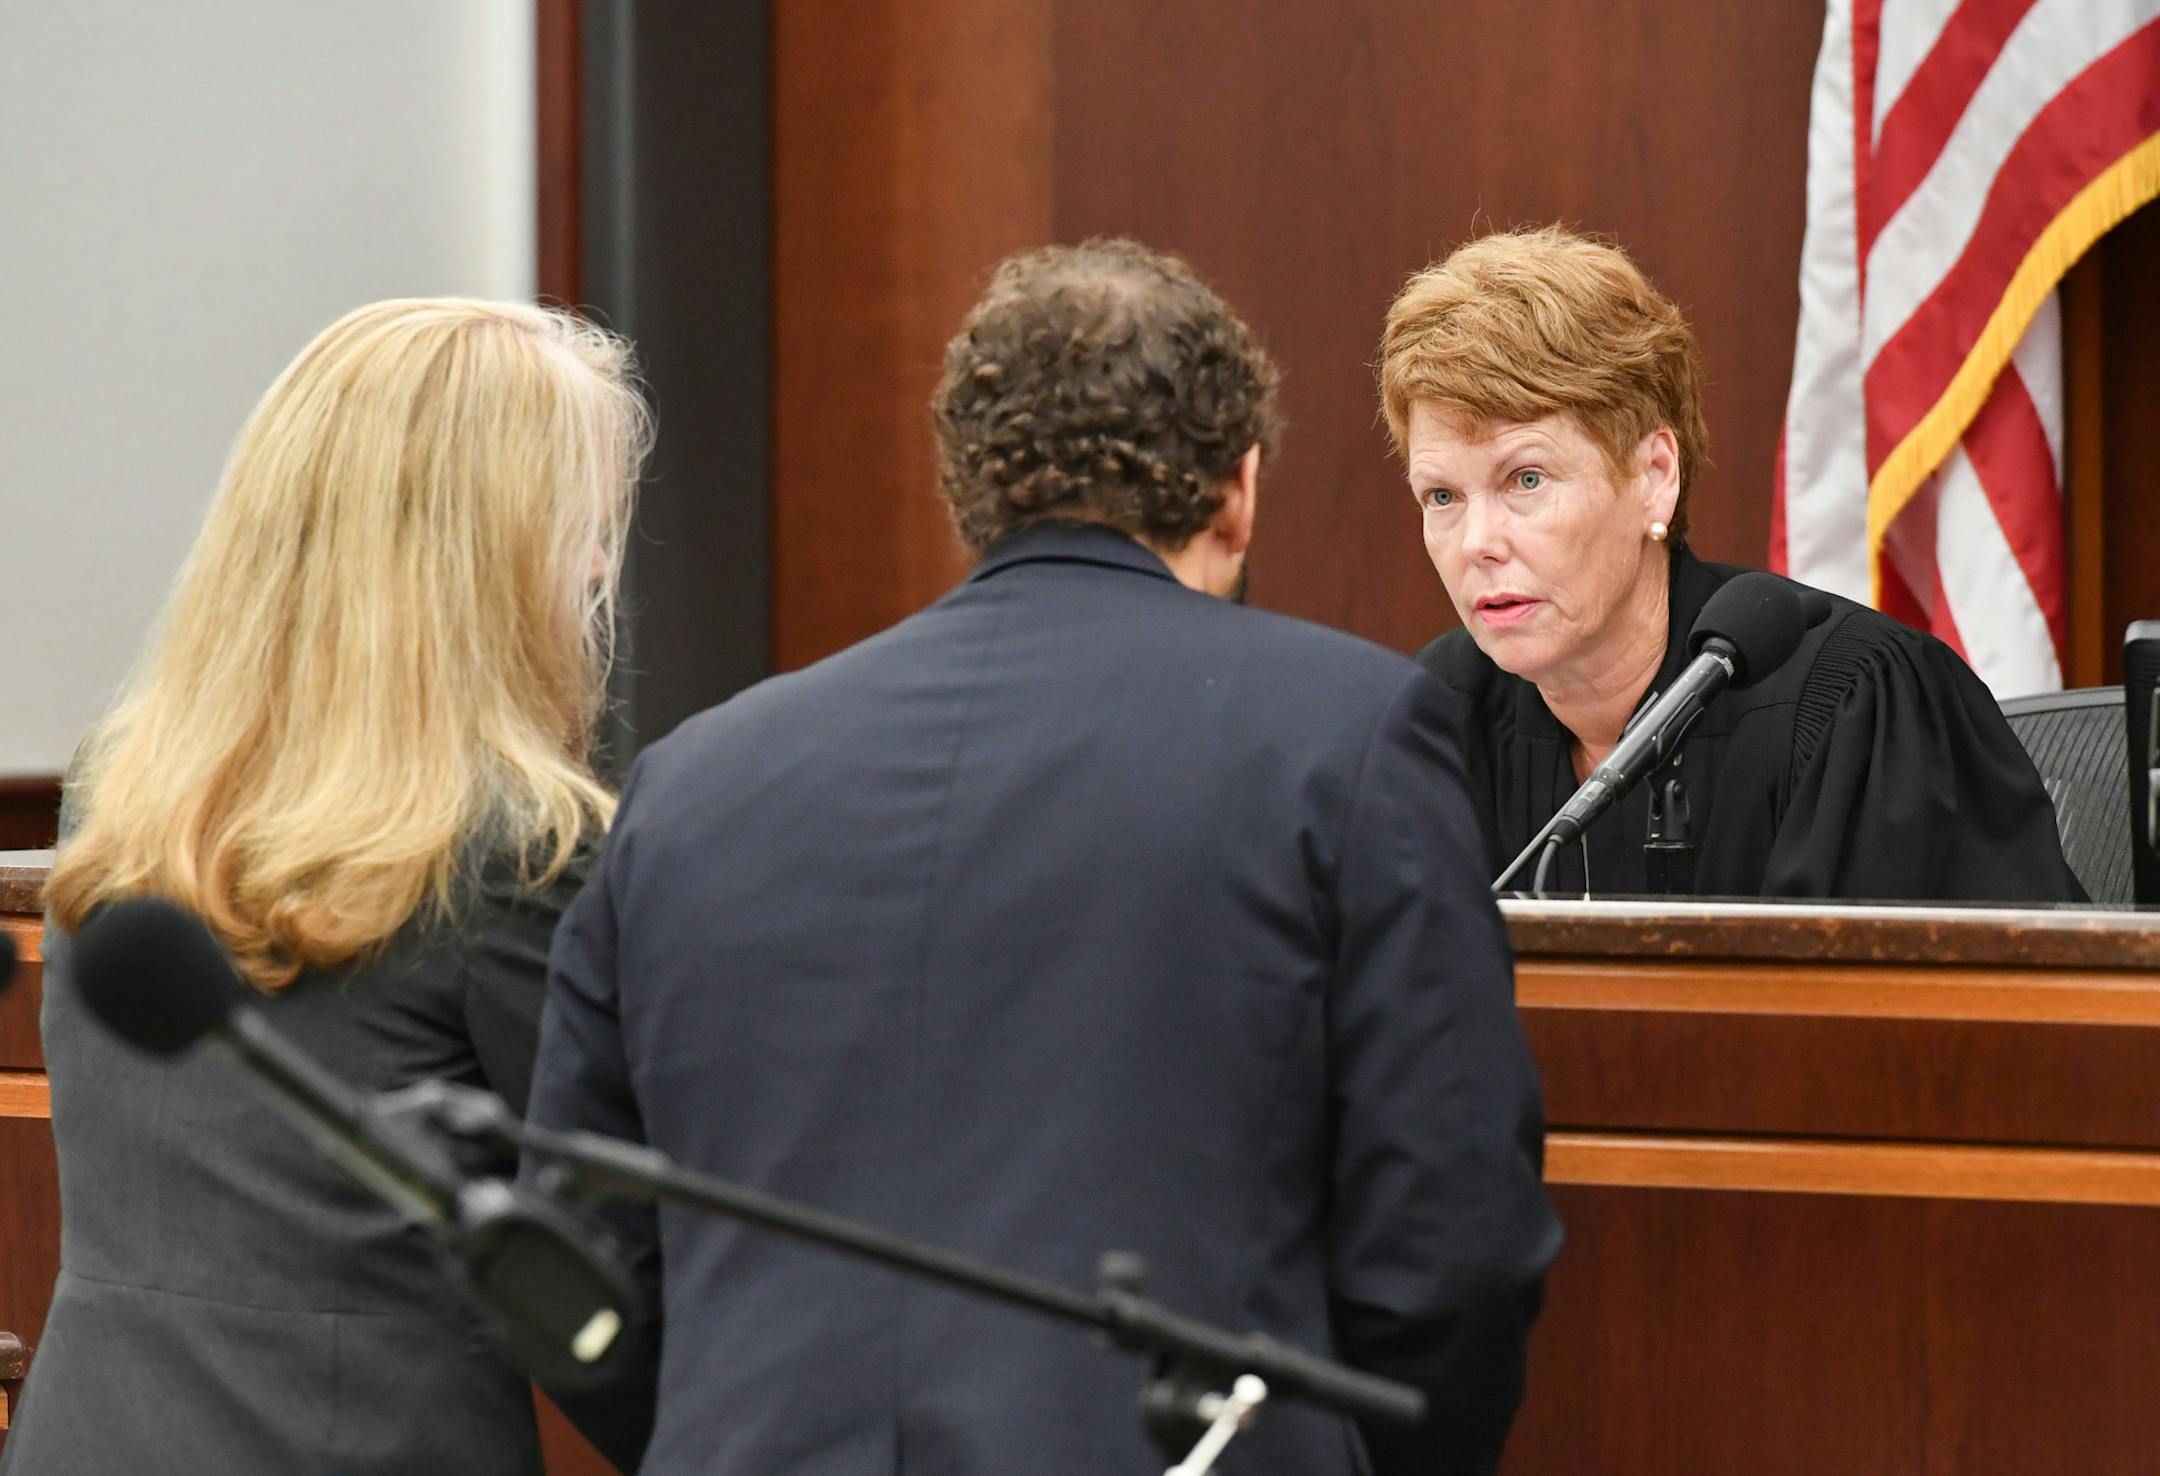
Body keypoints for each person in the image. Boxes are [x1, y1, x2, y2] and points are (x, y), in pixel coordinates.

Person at [529, 238, 1560, 1476]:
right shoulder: (1349, 736)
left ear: (971, 492)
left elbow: (571, 1254)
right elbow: (1451, 1247)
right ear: (1238, 491)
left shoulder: (695, 781)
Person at [7, 299, 651, 1476]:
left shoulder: (127, 786)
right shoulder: (520, 845)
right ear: (484, 550)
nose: (601, 565)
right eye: (583, 526)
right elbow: (598, 1283)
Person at [1376, 225, 2083, 902]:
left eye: (1525, 480)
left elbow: (1970, 1020)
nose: (1476, 542)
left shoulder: (1854, 708)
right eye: (1442, 496)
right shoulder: (1435, 721)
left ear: (1654, 474)